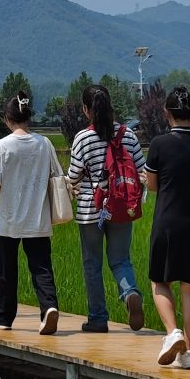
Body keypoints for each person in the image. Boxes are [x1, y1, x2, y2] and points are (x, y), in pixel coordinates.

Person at [143, 85, 190, 370]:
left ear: (166, 113)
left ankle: (172, 332)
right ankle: (188, 353)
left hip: (168, 220)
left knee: (159, 280)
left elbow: (153, 185)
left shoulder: (159, 144)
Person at [65, 85, 146, 333]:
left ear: (86, 109)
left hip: (91, 209)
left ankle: (98, 319)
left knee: (92, 264)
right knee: (120, 259)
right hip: (122, 207)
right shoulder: (127, 135)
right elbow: (142, 171)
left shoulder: (83, 138)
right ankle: (130, 293)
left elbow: (73, 176)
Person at [0, 90, 60, 334]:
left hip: (9, 219)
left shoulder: (2, 146)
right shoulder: (44, 143)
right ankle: (49, 307)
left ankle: (3, 317)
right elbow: (57, 176)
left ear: (8, 119)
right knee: (41, 267)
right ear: (28, 117)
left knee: (7, 271)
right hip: (38, 217)